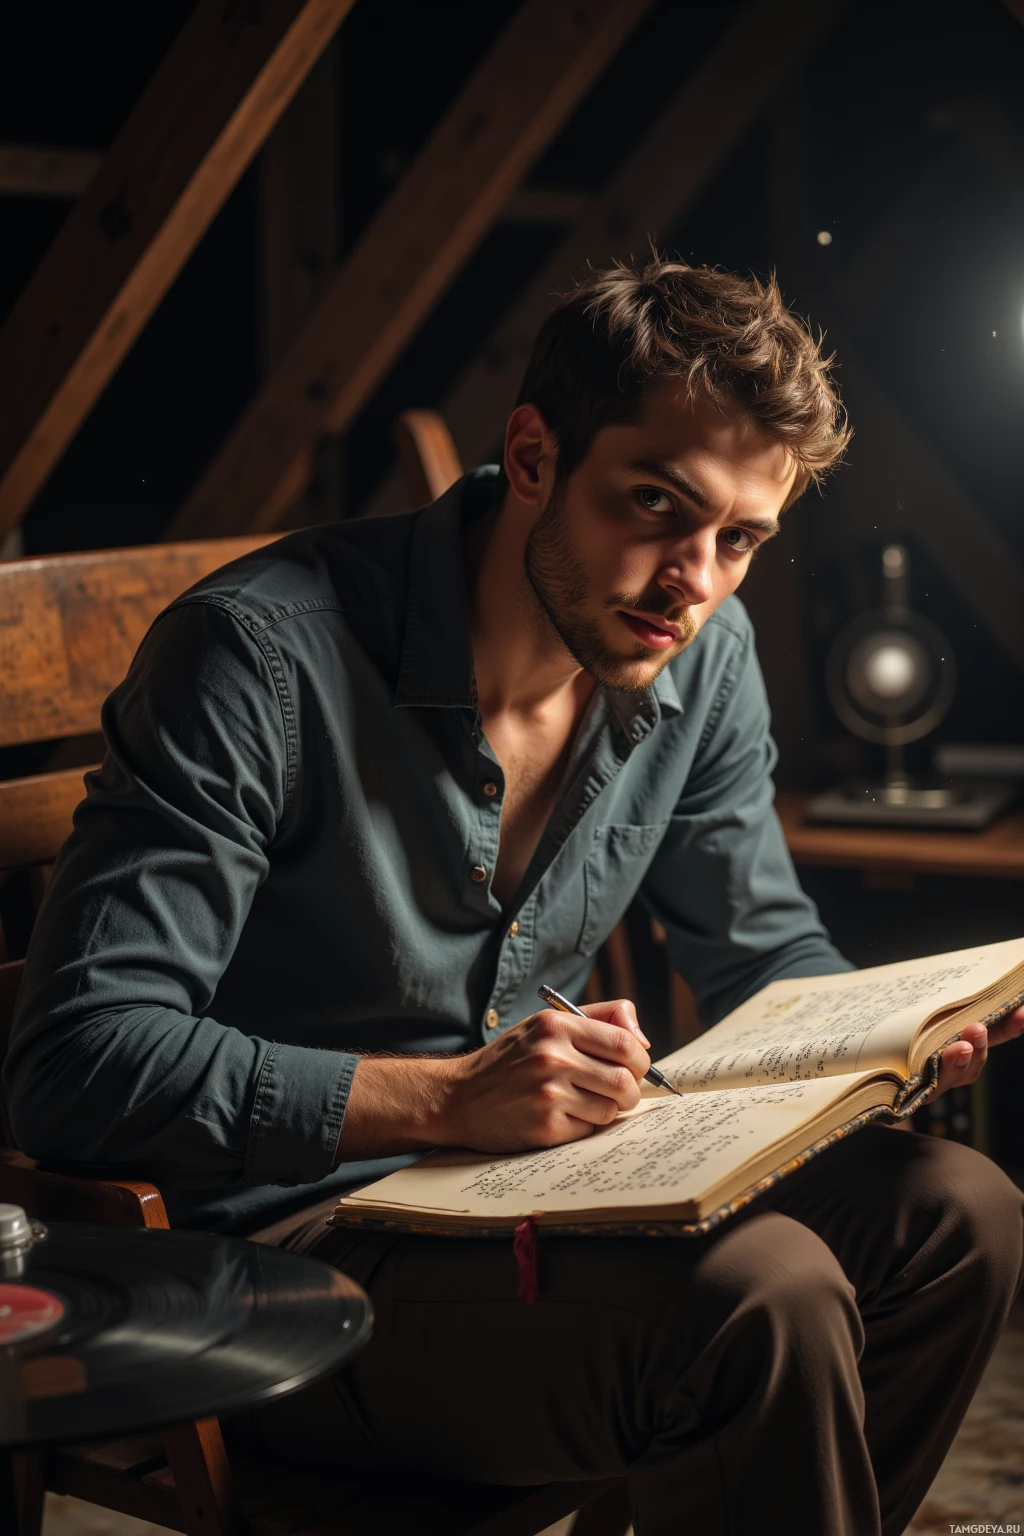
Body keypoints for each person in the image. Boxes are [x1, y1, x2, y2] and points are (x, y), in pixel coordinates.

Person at [7, 259, 1022, 1536]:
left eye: (739, 540)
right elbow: (76, 1066)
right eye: (655, 505)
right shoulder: (255, 658)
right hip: (270, 1252)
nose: (694, 580)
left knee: (959, 1214)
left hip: (534, 1194)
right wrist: (444, 1098)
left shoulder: (702, 660)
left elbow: (763, 952)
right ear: (533, 455)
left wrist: (887, 1044)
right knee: (764, 1300)